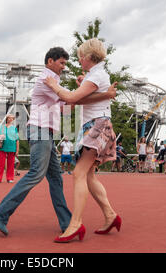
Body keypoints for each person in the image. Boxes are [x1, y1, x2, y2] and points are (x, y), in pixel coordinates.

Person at [44, 39, 121, 243]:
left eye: (80, 57)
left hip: (97, 124)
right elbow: (80, 99)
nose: (78, 60)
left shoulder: (96, 75)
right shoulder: (95, 75)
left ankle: (75, 224)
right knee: (88, 176)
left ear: (88, 57)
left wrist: (53, 85)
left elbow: (70, 99)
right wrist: (94, 91)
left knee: (78, 173)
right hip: (95, 124)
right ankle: (110, 215)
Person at [0, 114, 19, 184]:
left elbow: (17, 140)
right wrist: (0, 135)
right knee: (0, 163)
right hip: (2, 147)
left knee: (11, 164)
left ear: (13, 120)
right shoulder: (2, 127)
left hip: (12, 147)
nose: (10, 119)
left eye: (12, 118)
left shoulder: (14, 128)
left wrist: (17, 150)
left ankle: (10, 178)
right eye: (9, 118)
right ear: (7, 119)